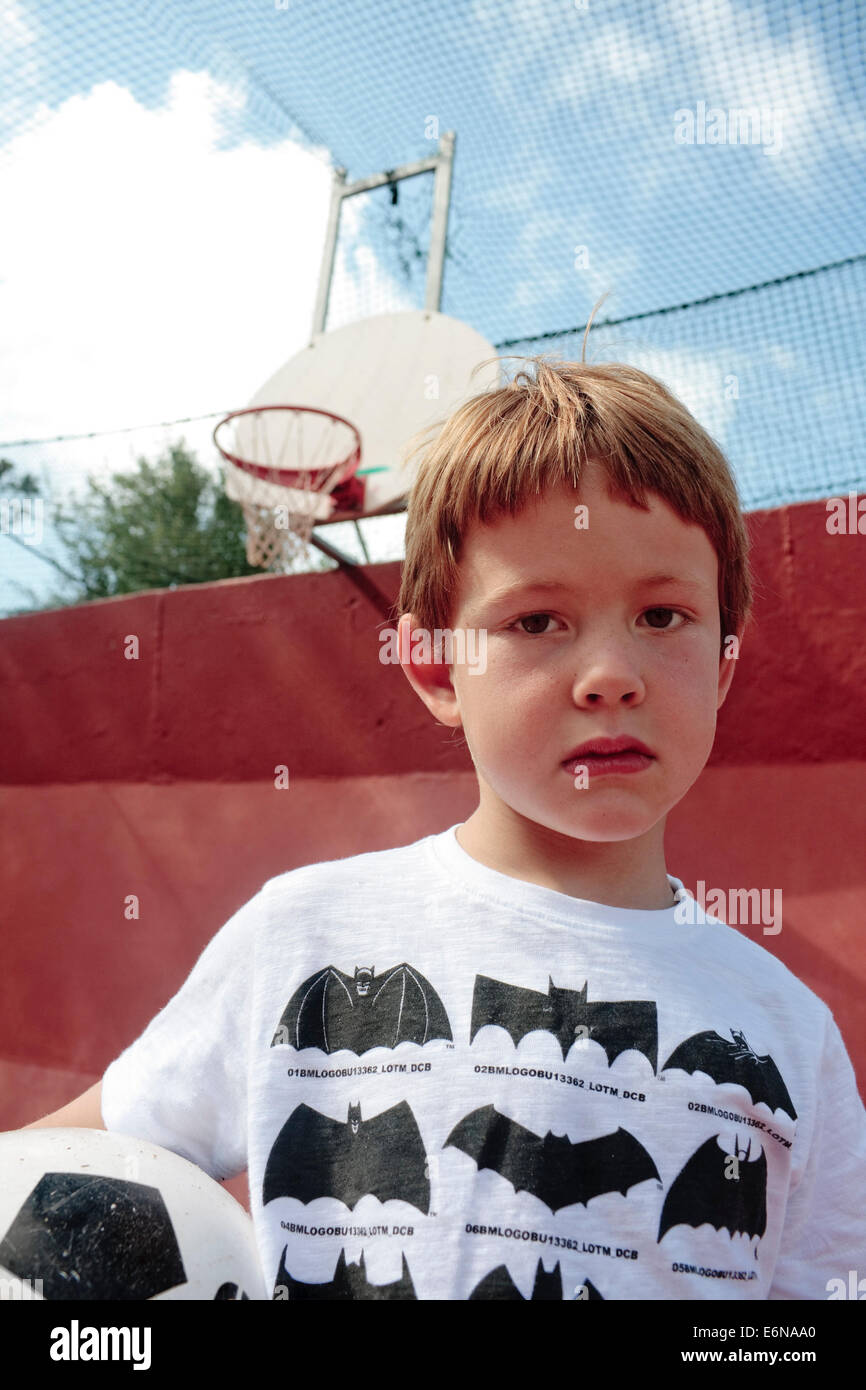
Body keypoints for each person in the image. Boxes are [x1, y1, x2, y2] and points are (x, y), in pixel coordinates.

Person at [26, 349, 866, 1300]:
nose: (611, 674)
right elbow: (74, 1157)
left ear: (720, 666)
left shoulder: (789, 1033)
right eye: (539, 622)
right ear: (433, 667)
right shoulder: (305, 934)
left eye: (663, 616)